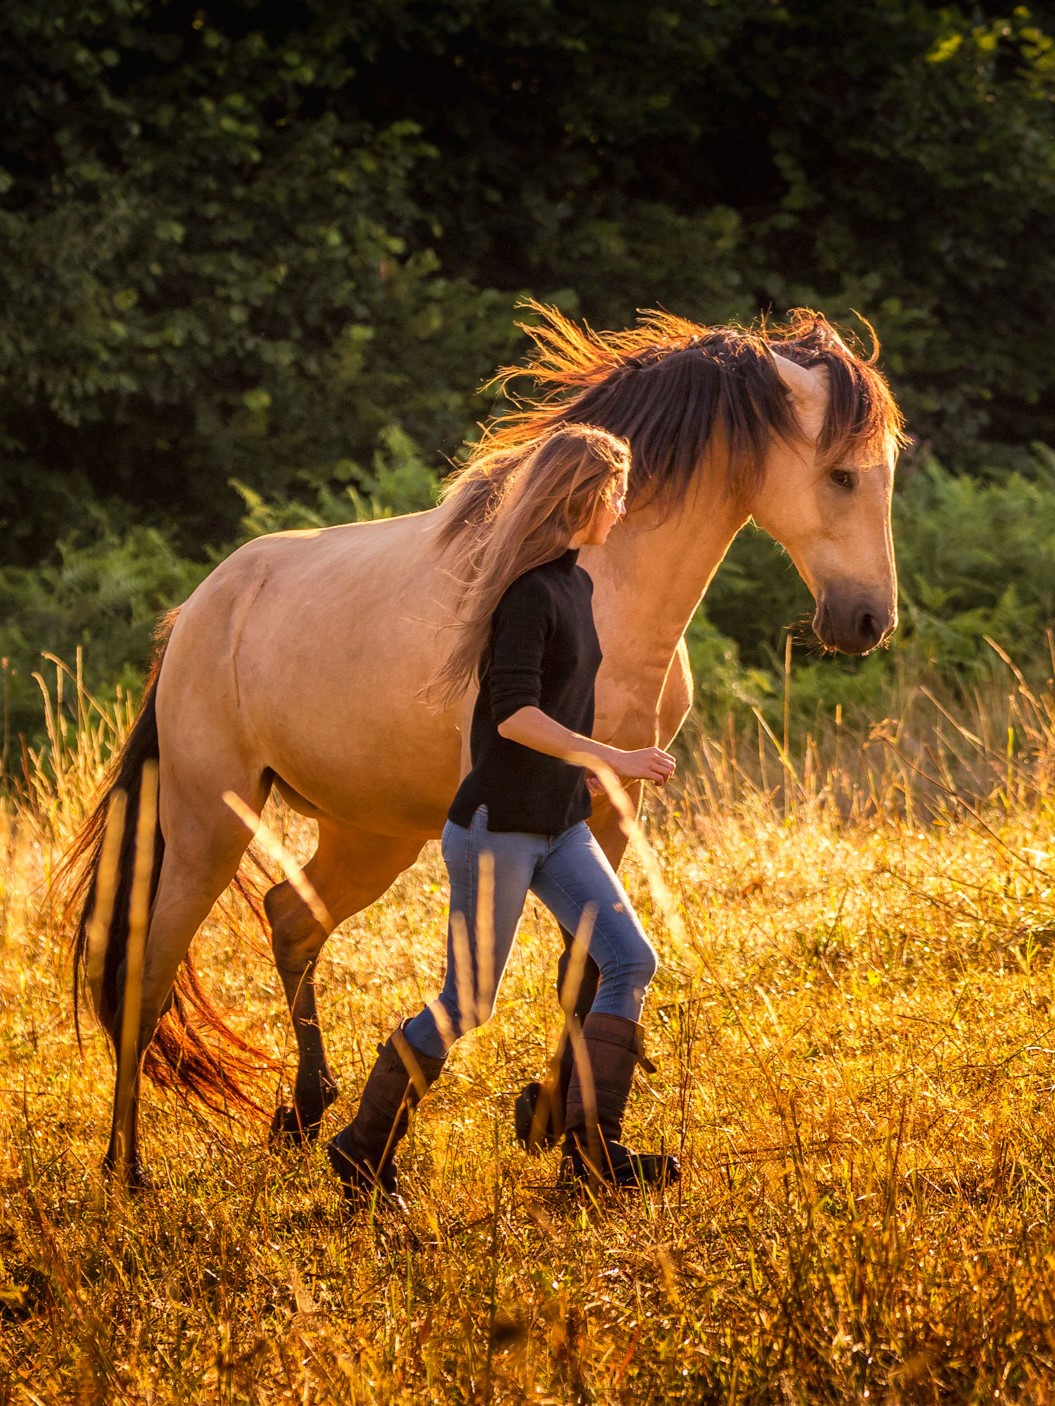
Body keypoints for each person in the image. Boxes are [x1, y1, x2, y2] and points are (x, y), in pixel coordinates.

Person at [327, 423, 679, 1208]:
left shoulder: (574, 585)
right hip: (496, 829)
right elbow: (514, 714)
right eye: (616, 495)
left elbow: (553, 707)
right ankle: (361, 1149)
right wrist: (610, 759)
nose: (622, 510)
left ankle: (594, 1152)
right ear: (583, 498)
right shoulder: (528, 595)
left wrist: (575, 778)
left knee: (629, 960)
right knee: (467, 1003)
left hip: (558, 825)